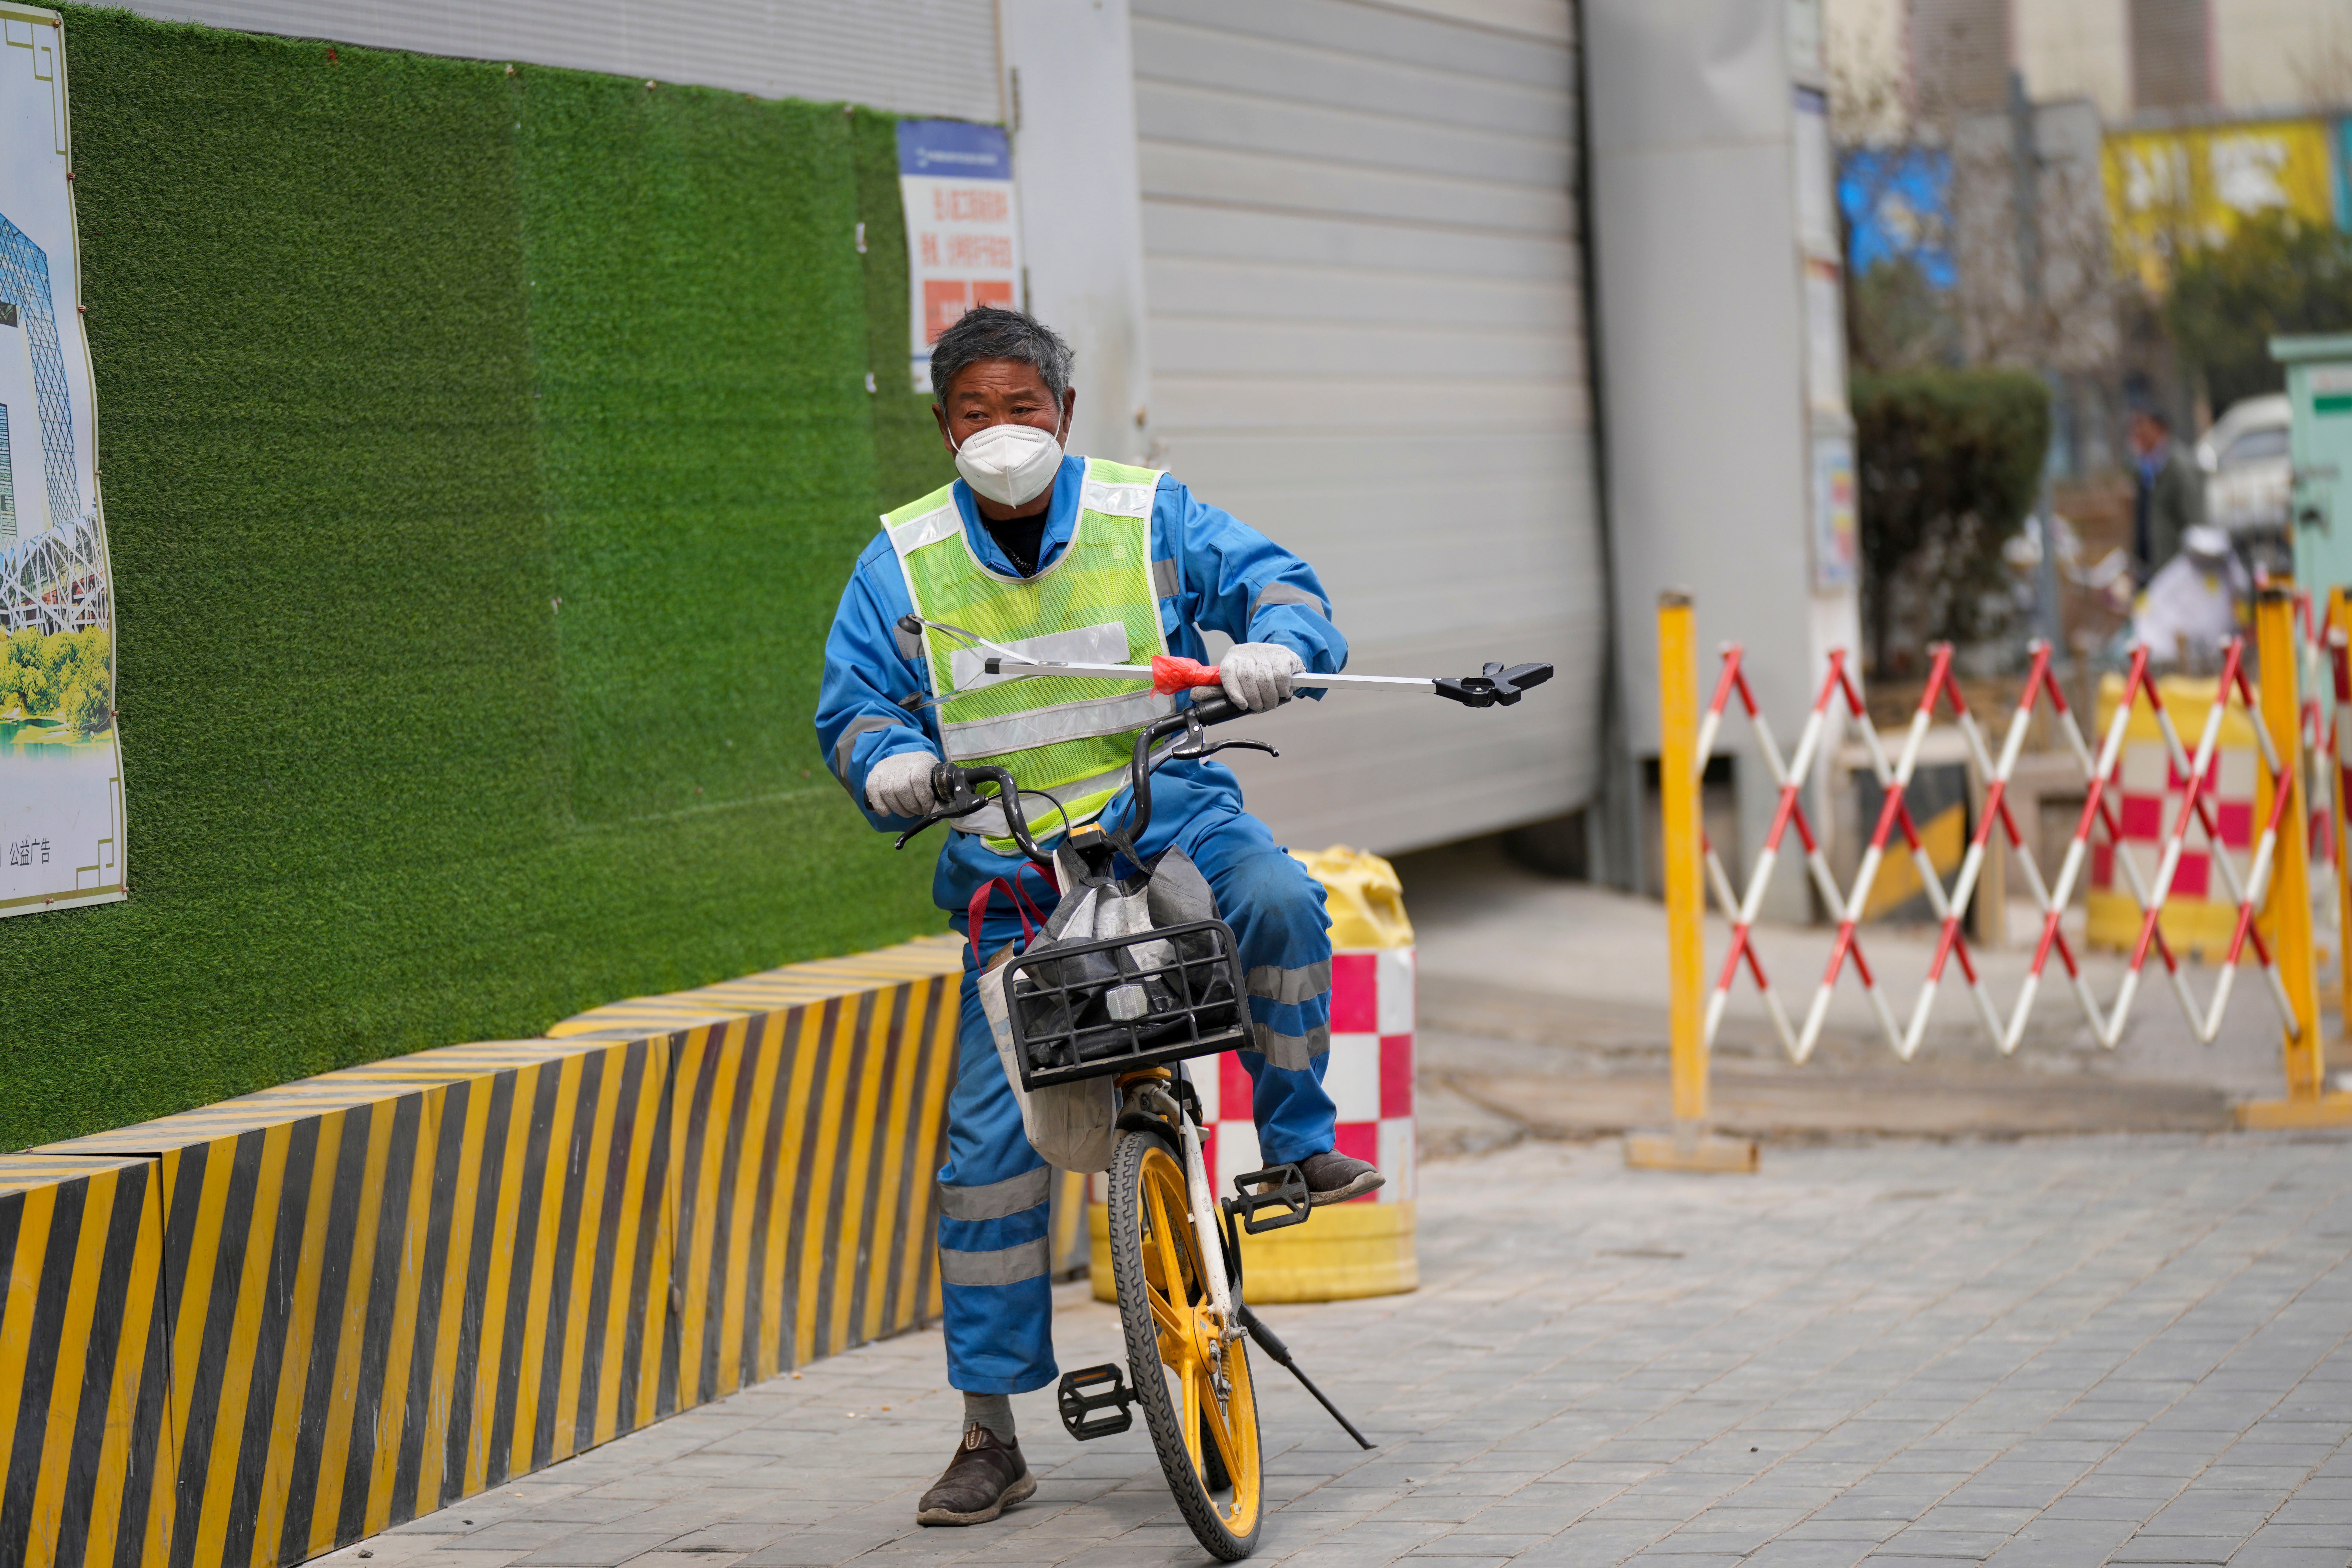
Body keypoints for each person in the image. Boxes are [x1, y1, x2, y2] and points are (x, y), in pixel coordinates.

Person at [814, 306, 1383, 1528]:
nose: (1001, 433)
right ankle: (988, 1433)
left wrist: (1276, 647)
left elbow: (1282, 585)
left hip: (1166, 812)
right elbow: (855, 707)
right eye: (975, 413)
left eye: (1023, 409)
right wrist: (887, 767)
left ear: (1063, 416)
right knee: (983, 1159)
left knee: (1282, 899)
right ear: (941, 426)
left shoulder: (1147, 516)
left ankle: (1296, 1141)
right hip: (1013, 868)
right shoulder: (901, 565)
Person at [2130, 408, 2205, 584]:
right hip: (2153, 571)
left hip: (2177, 573)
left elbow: (2196, 522)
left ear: (2161, 429)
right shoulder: (2147, 468)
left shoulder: (2180, 468)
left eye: (2144, 429)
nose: (2139, 436)